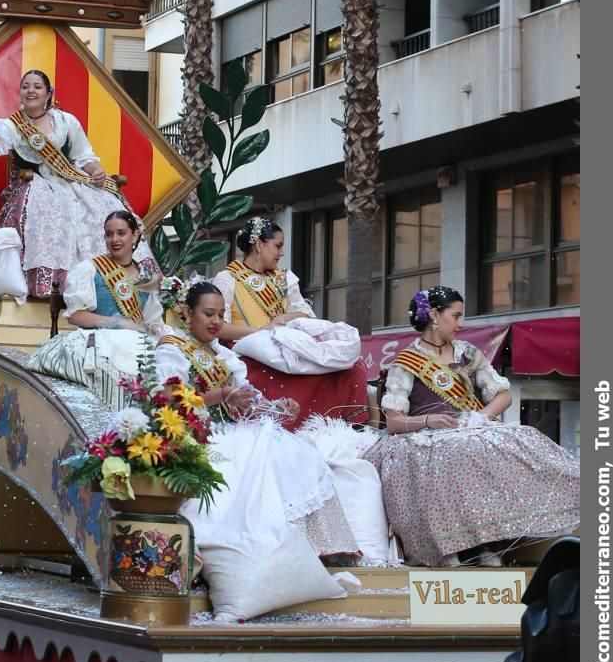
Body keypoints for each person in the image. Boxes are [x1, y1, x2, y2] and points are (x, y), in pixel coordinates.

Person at [368, 286, 581, 567]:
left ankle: (498, 539)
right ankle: (455, 546)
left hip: (470, 429)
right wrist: (428, 420)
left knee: (523, 439)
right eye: (455, 316)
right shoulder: (406, 362)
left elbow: (502, 395)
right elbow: (394, 421)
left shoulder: (468, 353)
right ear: (434, 315)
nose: (461, 324)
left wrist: (480, 416)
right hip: (425, 437)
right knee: (452, 454)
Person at [155, 282, 360, 563]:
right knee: (245, 465)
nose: (216, 322)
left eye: (221, 315)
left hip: (232, 430)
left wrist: (278, 407)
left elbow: (250, 401)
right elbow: (170, 402)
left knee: (293, 453)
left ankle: (308, 551)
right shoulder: (172, 349)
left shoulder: (223, 355)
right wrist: (220, 395)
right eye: (208, 314)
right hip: (194, 435)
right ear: (187, 313)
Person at [0, 69, 157, 297]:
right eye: (26, 86)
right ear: (20, 93)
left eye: (37, 86)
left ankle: (114, 280)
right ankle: (50, 285)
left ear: (48, 93)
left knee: (104, 207)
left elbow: (84, 157)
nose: (31, 90)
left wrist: (97, 172)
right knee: (49, 213)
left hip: (72, 181)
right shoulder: (12, 125)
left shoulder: (65, 121)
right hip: (35, 185)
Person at [211, 217, 366, 424]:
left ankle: (344, 428)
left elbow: (305, 313)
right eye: (278, 246)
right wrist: (262, 331)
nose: (281, 253)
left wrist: (284, 318)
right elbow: (218, 327)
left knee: (353, 367)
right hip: (249, 352)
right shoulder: (228, 279)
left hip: (288, 347)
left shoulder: (284, 278)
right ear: (259, 244)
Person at [26, 211, 164, 393]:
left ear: (135, 234)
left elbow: (153, 320)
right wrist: (118, 323)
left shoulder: (147, 277)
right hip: (101, 340)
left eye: (121, 233)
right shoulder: (90, 269)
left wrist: (157, 330)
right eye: (109, 234)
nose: (114, 239)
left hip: (138, 344)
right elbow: (75, 316)